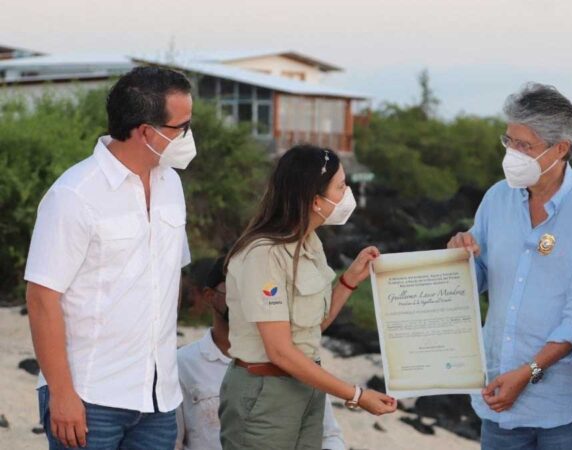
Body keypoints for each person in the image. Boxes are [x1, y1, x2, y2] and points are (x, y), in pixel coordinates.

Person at [25, 66, 196, 449]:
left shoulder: (172, 185)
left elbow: (166, 279)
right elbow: (41, 298)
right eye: (181, 127)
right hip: (89, 396)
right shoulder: (74, 194)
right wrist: (63, 394)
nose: (188, 136)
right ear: (146, 132)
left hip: (158, 398)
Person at [447, 82, 572, 450]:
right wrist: (460, 255)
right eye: (508, 141)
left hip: (568, 410)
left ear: (560, 149)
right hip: (498, 403)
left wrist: (528, 374)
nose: (512, 153)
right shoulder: (497, 198)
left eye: (524, 146)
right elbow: (476, 281)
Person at [219, 145, 397, 450]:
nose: (347, 194)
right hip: (266, 394)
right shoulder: (264, 254)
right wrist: (356, 395)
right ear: (316, 201)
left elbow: (310, 327)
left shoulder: (310, 242)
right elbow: (280, 351)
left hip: (306, 387)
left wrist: (348, 281)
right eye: (341, 186)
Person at [175, 257, 347, 450]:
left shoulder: (292, 357)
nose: (247, 296)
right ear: (209, 295)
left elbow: (330, 436)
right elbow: (174, 442)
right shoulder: (183, 365)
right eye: (236, 286)